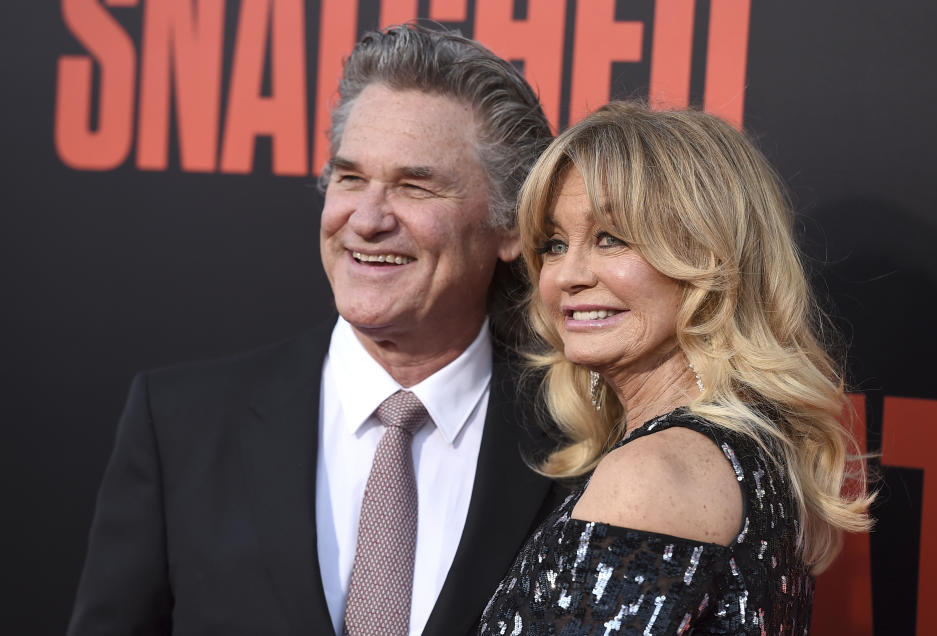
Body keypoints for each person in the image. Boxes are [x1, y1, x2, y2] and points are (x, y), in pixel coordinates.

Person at [68, 25, 559, 636]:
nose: (368, 219)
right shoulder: (178, 425)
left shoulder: (578, 439)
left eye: (415, 185)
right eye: (351, 178)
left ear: (510, 225)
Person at [480, 102, 874, 634]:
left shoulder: (654, 475)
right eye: (554, 244)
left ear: (709, 255)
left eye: (610, 237)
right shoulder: (742, 453)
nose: (566, 276)